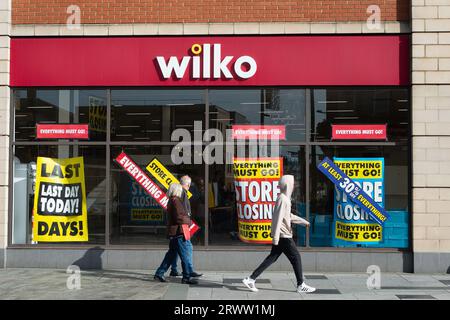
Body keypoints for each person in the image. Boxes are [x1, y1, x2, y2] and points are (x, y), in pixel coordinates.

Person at [242, 175, 316, 294]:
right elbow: (277, 218)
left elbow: (288, 216)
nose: (294, 186)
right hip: (284, 236)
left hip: (282, 235)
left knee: (272, 257)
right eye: (292, 184)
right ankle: (300, 284)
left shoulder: (284, 198)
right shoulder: (283, 199)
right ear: (288, 186)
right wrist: (275, 237)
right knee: (296, 257)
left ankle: (251, 279)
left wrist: (303, 222)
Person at [153, 183, 198, 284]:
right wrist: (189, 221)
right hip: (179, 231)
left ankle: (159, 273)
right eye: (180, 189)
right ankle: (186, 277)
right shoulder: (176, 200)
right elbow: (179, 217)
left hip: (175, 232)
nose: (182, 191)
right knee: (184, 255)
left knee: (171, 255)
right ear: (177, 190)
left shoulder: (171, 200)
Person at [179, 175, 203, 278]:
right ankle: (187, 274)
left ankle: (163, 272)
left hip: (182, 225)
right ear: (187, 184)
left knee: (174, 251)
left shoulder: (180, 193)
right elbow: (182, 211)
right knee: (187, 248)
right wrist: (188, 221)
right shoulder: (182, 194)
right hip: (183, 226)